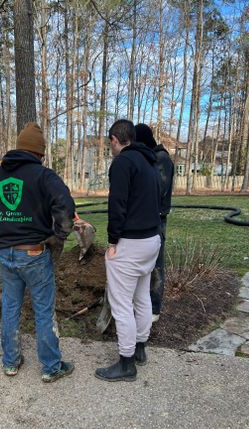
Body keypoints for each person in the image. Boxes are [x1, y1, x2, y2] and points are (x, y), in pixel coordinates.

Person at [0, 122, 75, 383]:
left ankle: (10, 362)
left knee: (10, 308)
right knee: (43, 310)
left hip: (5, 253)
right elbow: (66, 206)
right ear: (39, 152)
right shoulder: (43, 175)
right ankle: (51, 367)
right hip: (34, 254)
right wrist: (58, 236)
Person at [95, 119, 161, 382]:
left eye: (109, 142)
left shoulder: (123, 163)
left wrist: (112, 242)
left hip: (131, 242)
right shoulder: (149, 162)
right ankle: (141, 348)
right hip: (151, 239)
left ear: (114, 139)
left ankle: (126, 363)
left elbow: (117, 204)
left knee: (121, 303)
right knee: (142, 296)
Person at [135, 124, 174, 322]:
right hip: (148, 218)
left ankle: (154, 309)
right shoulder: (154, 158)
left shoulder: (161, 159)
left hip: (157, 219)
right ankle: (145, 305)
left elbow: (158, 189)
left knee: (156, 264)